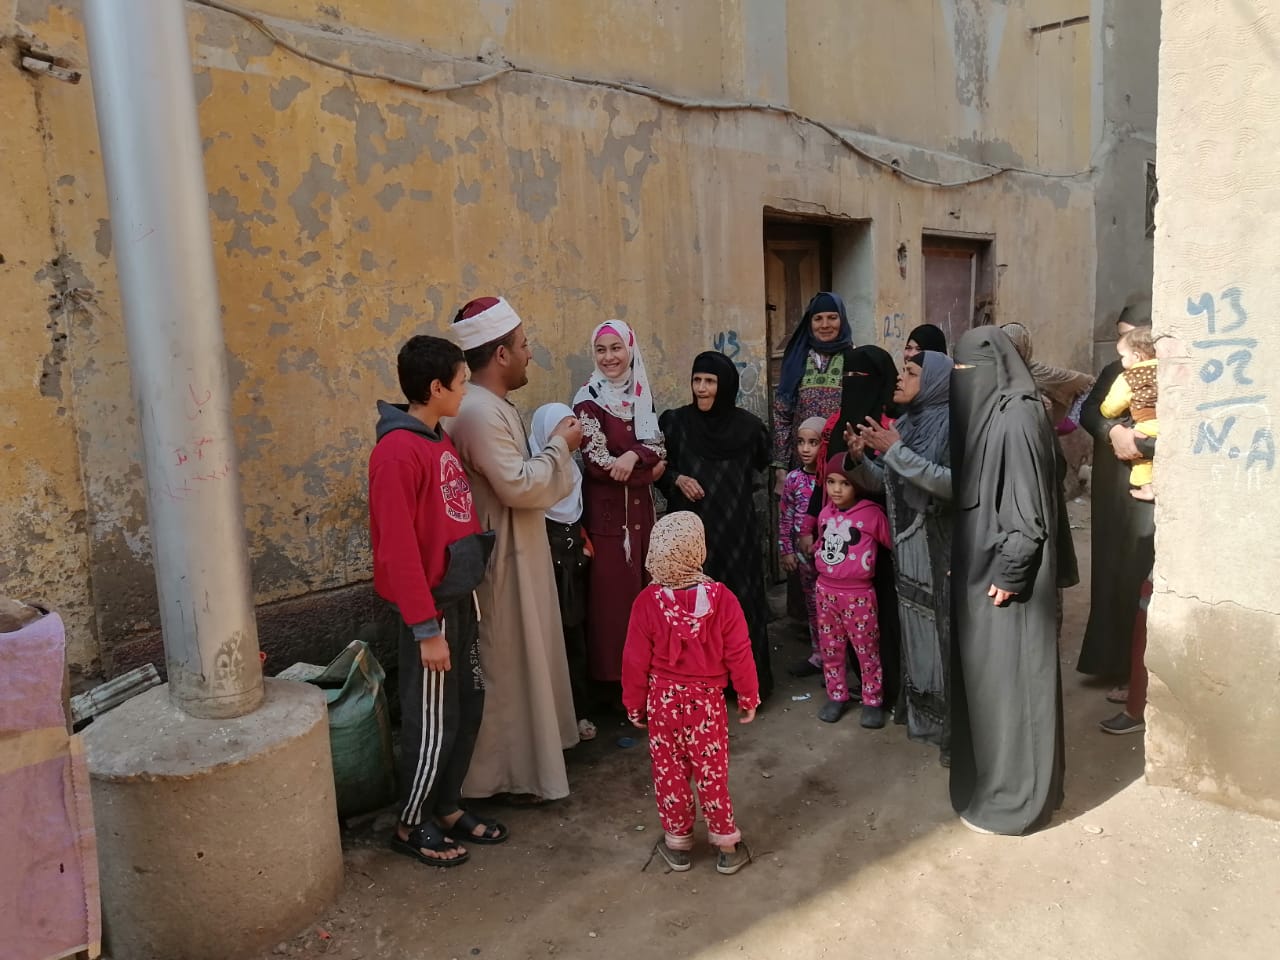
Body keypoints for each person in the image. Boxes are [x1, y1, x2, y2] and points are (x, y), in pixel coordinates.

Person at [369, 335, 507, 867]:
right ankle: (411, 822)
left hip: (460, 600)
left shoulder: (436, 437)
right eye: (460, 381)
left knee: (468, 707)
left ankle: (446, 807)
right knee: (432, 723)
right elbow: (397, 549)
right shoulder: (396, 453)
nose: (466, 388)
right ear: (435, 388)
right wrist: (426, 630)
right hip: (431, 613)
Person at [446, 296, 583, 803]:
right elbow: (519, 486)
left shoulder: (490, 405)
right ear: (501, 354)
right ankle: (497, 779)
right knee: (504, 666)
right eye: (523, 345)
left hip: (518, 550)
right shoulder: (479, 412)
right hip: (502, 560)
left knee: (524, 661)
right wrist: (562, 445)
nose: (530, 353)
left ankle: (528, 767)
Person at [948, 326, 1077, 836]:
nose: (963, 379)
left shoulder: (1017, 417)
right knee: (994, 689)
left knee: (1015, 685)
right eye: (957, 370)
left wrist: (1011, 570)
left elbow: (1029, 515)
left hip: (1007, 580)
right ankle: (1007, 783)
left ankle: (1018, 800)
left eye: (968, 371)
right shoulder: (995, 411)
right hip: (986, 570)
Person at [622, 512, 758, 875]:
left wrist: (634, 705)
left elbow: (634, 660)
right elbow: (739, 652)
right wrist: (748, 696)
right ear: (697, 550)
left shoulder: (646, 602)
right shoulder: (723, 599)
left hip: (662, 703)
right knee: (711, 772)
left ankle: (678, 845)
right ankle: (726, 845)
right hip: (707, 704)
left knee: (669, 771)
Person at [846, 351, 955, 757]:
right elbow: (887, 482)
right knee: (916, 632)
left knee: (944, 635)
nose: (900, 378)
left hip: (941, 548)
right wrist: (859, 460)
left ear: (936, 382)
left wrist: (895, 451)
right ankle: (923, 715)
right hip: (908, 547)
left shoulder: (955, 425)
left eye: (911, 372)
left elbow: (953, 485)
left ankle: (952, 731)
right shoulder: (907, 424)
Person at [657, 352, 773, 700]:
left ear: (726, 386)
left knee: (738, 605)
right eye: (697, 380)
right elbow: (660, 470)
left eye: (710, 382)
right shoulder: (675, 423)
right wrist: (677, 479)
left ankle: (745, 685)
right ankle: (700, 687)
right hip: (691, 537)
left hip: (736, 534)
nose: (702, 389)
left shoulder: (750, 429)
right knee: (693, 608)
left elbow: (759, 468)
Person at [572, 320, 667, 685]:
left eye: (616, 348)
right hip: (610, 523)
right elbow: (598, 465)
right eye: (601, 350)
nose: (609, 357)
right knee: (612, 606)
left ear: (630, 349)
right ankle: (614, 686)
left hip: (643, 518)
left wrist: (632, 457)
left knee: (646, 595)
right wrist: (647, 470)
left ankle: (649, 678)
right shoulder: (588, 401)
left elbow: (657, 444)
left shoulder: (640, 392)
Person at [1075, 310, 1156, 689]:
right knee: (1111, 571)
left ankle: (1139, 675)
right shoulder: (1115, 371)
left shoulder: (1173, 371)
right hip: (1114, 490)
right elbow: (1089, 411)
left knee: (1140, 574)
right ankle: (1112, 663)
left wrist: (1142, 444)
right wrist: (1112, 432)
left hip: (1149, 491)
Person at [529, 402, 597, 743]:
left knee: (575, 640)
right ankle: (550, 720)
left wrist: (584, 544)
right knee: (547, 643)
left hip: (574, 566)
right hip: (546, 569)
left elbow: (577, 516)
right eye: (565, 426)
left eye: (575, 423)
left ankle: (578, 712)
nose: (575, 431)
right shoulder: (533, 475)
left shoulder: (573, 471)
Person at [813, 455, 893, 726]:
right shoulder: (825, 514)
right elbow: (822, 543)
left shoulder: (872, 515)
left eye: (844, 483)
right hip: (825, 592)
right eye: (831, 482)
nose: (836, 489)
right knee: (830, 648)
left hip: (858, 596)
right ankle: (836, 695)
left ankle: (873, 701)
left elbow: (894, 543)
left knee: (866, 650)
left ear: (857, 485)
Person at [771, 292, 854, 488]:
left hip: (842, 464)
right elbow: (782, 415)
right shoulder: (797, 358)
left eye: (832, 317)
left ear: (842, 319)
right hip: (802, 462)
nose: (825, 325)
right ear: (810, 322)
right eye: (818, 319)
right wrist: (781, 466)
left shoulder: (855, 358)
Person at [778, 417, 826, 678]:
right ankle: (819, 655)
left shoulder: (831, 479)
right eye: (800, 442)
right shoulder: (794, 479)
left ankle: (837, 661)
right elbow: (786, 516)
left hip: (830, 558)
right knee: (813, 606)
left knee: (833, 608)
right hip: (804, 558)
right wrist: (786, 549)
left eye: (813, 442)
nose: (805, 449)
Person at [1000, 322, 1096, 430]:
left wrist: (1071, 421)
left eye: (1013, 347)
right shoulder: (990, 373)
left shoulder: (1039, 372)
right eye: (1002, 346)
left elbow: (1089, 383)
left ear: (1023, 347)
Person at [1100, 326, 1158, 500]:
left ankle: (1147, 488)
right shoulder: (1167, 368)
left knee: (1138, 455)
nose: (1121, 360)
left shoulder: (1129, 376)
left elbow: (1113, 405)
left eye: (1123, 356)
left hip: (1147, 425)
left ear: (1137, 356)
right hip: (1171, 422)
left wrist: (1105, 411)